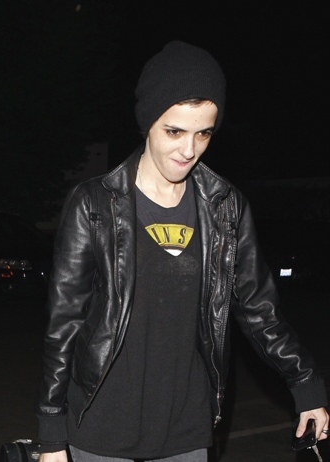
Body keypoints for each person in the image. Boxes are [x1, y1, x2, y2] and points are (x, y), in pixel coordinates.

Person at [35, 40, 328, 462]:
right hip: (101, 424)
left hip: (186, 427)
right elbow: (64, 323)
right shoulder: (95, 204)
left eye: (203, 133)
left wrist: (305, 384)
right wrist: (50, 432)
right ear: (147, 123)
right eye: (174, 131)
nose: (189, 150)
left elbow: (258, 309)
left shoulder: (225, 207)